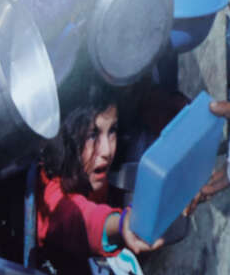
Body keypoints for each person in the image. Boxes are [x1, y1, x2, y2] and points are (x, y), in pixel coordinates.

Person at [38, 85, 164, 261]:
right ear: (66, 138)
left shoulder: (96, 172)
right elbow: (81, 219)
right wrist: (121, 224)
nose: (106, 150)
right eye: (92, 135)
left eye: (112, 131)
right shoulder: (51, 198)